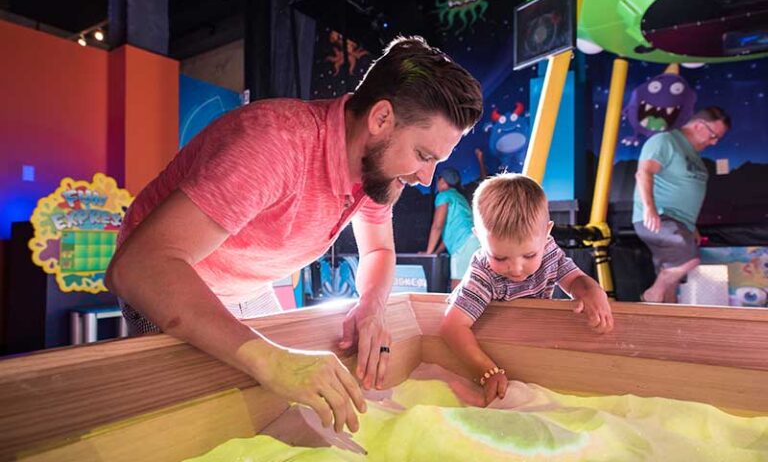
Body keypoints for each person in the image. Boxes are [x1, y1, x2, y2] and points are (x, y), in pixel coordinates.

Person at [105, 36, 483, 433]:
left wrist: (371, 306)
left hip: (247, 283)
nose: (426, 179)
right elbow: (138, 267)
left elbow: (378, 252)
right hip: (173, 279)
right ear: (381, 119)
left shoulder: (374, 168)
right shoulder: (274, 146)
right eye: (423, 156)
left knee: (279, 404)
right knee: (188, 424)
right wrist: (269, 360)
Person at [440, 174, 614, 405]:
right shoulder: (483, 270)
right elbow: (451, 327)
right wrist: (487, 371)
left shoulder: (549, 250)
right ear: (479, 238)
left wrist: (592, 292)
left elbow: (574, 280)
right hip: (493, 350)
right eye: (500, 257)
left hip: (532, 346)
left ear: (547, 233)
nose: (516, 268)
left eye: (530, 255)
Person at [633, 106, 731, 303]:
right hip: (659, 218)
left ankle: (665, 321)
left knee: (672, 284)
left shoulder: (693, 154)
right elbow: (644, 172)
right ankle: (653, 292)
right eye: (713, 135)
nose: (714, 142)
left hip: (681, 222)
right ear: (698, 125)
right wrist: (650, 209)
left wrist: (691, 226)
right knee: (689, 259)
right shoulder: (665, 141)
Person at [422, 167, 481, 289]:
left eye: (439, 179)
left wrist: (428, 253)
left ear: (443, 181)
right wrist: (435, 252)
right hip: (474, 241)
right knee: (472, 286)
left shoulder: (443, 196)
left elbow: (437, 226)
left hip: (463, 245)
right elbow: (448, 235)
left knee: (457, 288)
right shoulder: (459, 197)